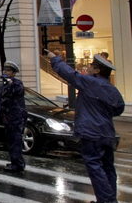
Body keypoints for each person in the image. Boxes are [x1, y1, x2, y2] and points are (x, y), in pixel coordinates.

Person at [47, 50, 125, 203]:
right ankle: (109, 198)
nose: (88, 67)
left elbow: (70, 74)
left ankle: (106, 200)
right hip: (107, 132)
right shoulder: (111, 88)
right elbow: (119, 108)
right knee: (108, 167)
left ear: (97, 70)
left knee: (95, 166)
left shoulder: (90, 82)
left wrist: (55, 59)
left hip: (91, 132)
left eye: (91, 66)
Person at [0, 60, 26, 172]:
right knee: (10, 141)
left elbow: (17, 91)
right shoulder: (3, 86)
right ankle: (15, 161)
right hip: (7, 117)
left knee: (15, 141)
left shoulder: (17, 83)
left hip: (16, 117)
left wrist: (10, 82)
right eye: (4, 70)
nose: (5, 72)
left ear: (13, 73)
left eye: (8, 71)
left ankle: (18, 164)